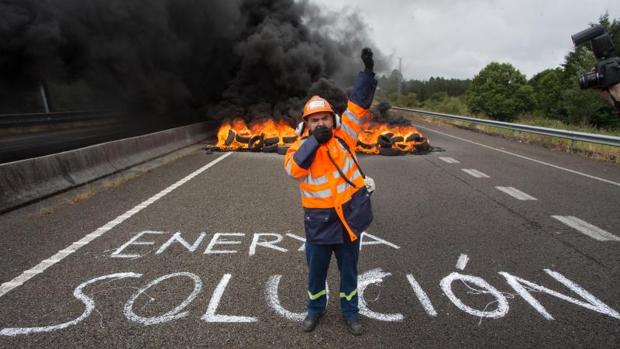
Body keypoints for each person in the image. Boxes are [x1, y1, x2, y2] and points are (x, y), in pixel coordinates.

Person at [283, 48, 377, 336]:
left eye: (325, 118)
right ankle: (315, 310)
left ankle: (350, 313)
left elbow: (358, 106)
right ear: (306, 124)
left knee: (349, 275)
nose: (321, 123)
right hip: (319, 225)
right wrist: (313, 143)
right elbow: (294, 169)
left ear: (333, 120)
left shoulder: (345, 136)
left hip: (348, 222)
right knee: (316, 275)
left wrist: (368, 73)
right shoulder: (299, 147)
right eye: (315, 120)